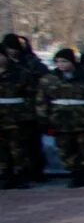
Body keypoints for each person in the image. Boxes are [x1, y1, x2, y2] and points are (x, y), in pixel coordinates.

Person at [38, 48, 84, 187]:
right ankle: (75, 174)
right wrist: (44, 120)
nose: (61, 64)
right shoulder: (49, 80)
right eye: (58, 61)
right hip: (60, 121)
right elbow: (42, 101)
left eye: (64, 61)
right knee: (66, 149)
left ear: (73, 62)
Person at [0, 34, 41, 189]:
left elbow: (32, 95)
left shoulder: (21, 73)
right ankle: (6, 174)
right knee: (2, 150)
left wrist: (27, 115)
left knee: (18, 148)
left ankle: (21, 175)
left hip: (17, 118)